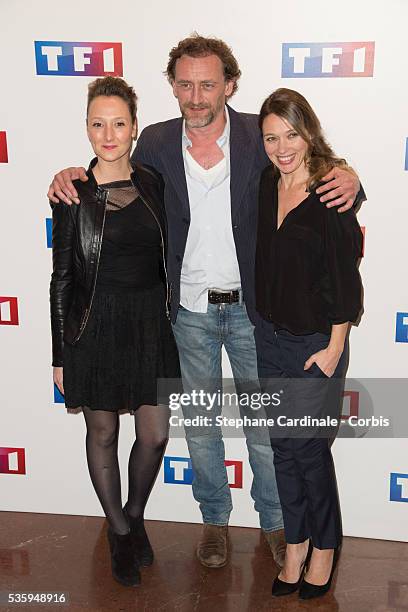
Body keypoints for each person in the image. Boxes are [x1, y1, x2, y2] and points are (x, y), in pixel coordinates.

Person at [47, 34, 364, 571]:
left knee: (266, 427)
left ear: (229, 85)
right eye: (185, 84)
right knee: (200, 426)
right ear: (172, 86)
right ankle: (214, 520)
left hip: (253, 312)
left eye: (208, 84)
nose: (196, 95)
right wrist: (68, 176)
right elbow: (110, 172)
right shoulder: (153, 142)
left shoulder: (258, 135)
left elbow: (312, 174)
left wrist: (353, 181)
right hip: (187, 311)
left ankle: (275, 524)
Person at [50, 76, 180, 588]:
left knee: (155, 433)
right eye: (98, 123)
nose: (108, 133)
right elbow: (62, 277)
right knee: (102, 432)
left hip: (150, 321)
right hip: (94, 325)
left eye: (118, 123)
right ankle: (121, 532)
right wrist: (60, 352)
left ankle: (133, 511)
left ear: (134, 129)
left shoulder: (154, 183)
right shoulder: (71, 194)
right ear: (87, 128)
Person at [254, 88, 363, 599]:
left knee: (310, 450)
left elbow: (345, 277)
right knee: (282, 449)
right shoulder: (262, 185)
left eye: (291, 134)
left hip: (316, 343)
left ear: (309, 131)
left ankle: (324, 547)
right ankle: (294, 543)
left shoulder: (331, 193)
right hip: (270, 339)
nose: (282, 147)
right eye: (271, 137)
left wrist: (335, 345)